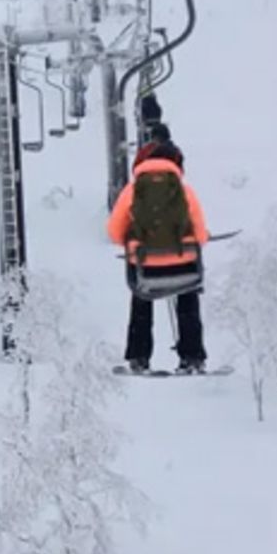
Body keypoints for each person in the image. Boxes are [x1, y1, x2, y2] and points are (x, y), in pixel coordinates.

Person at [106, 128, 210, 372]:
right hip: (183, 263)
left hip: (146, 265)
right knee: (188, 299)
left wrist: (134, 241)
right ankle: (193, 357)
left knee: (142, 300)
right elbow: (200, 233)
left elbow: (114, 231)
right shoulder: (184, 191)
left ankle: (139, 357)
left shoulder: (133, 190)